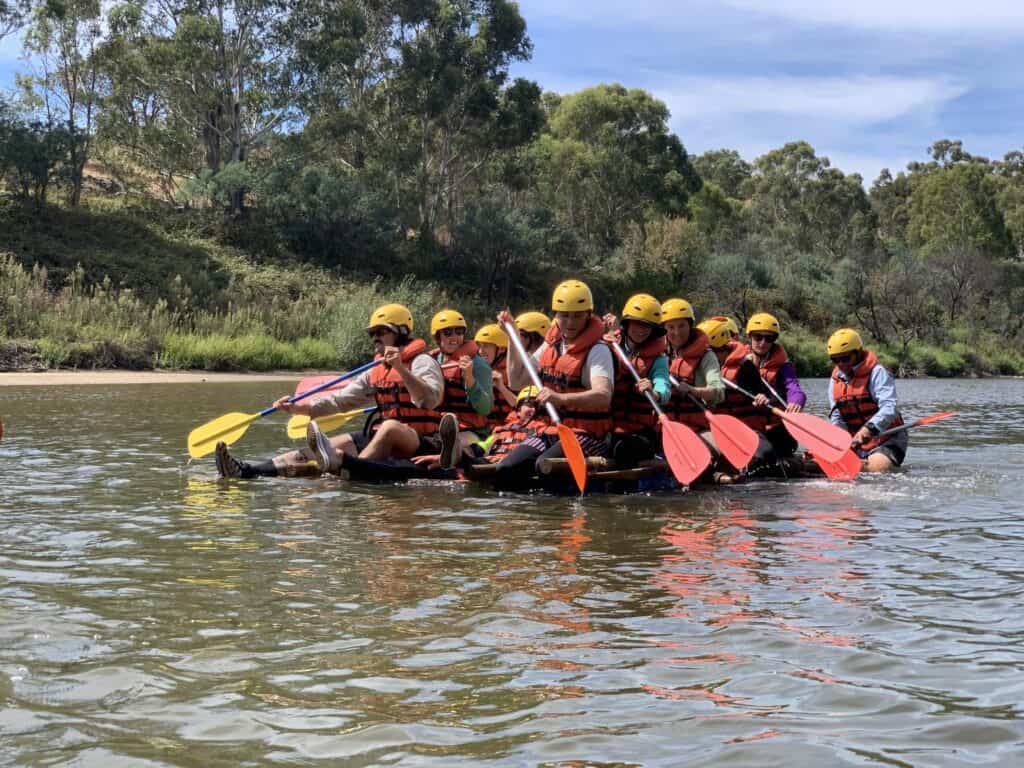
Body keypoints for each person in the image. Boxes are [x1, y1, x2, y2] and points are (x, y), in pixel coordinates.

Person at [215, 303, 445, 478]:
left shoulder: (422, 362)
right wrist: (297, 408)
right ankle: (249, 471)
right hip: (381, 436)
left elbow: (431, 400)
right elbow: (339, 401)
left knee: (390, 427)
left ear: (401, 331)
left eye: (381, 332)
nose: (375, 338)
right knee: (323, 447)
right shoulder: (376, 370)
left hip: (423, 441)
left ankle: (348, 468)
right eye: (372, 333)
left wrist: (401, 370)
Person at [496, 279, 614, 490]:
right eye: (564, 315)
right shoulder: (551, 346)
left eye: (577, 315)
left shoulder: (598, 350)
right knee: (505, 469)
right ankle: (519, 519)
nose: (570, 322)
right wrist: (512, 337)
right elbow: (516, 381)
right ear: (555, 315)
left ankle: (558, 518)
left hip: (587, 434)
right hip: (553, 431)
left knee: (545, 466)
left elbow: (603, 395)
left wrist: (560, 398)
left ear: (588, 315)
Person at [699, 317, 779, 472]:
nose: (706, 358)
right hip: (717, 429)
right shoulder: (698, 368)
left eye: (711, 353)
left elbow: (764, 393)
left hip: (747, 428)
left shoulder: (745, 367)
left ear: (724, 348)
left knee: (765, 455)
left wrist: (763, 398)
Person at [604, 293, 672, 468]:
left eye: (647, 326)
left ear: (653, 330)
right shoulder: (609, 347)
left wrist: (655, 393)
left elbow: (663, 386)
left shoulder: (658, 359)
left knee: (622, 448)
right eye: (637, 323)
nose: (641, 330)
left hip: (640, 432)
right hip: (610, 425)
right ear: (626, 324)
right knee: (608, 443)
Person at [827, 328, 907, 472]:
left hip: (887, 437)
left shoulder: (877, 373)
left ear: (857, 353)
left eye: (845, 358)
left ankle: (867, 464)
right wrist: (842, 442)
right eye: (835, 359)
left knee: (877, 468)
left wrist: (868, 429)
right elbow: (837, 416)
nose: (840, 364)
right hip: (854, 440)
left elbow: (890, 408)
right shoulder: (835, 379)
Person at [428, 309, 493, 468]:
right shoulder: (431, 362)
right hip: (436, 428)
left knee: (460, 442)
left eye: (459, 331)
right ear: (437, 337)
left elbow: (485, 408)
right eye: (448, 332)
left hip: (472, 431)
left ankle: (451, 455)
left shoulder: (478, 365)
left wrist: (469, 378)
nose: (454, 337)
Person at [662, 298, 725, 447]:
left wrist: (693, 390)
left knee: (718, 450)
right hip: (665, 426)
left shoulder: (706, 356)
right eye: (671, 327)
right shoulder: (659, 354)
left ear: (690, 325)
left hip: (697, 427)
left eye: (682, 326)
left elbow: (719, 392)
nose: (676, 332)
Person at [744, 312, 806, 460]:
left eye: (769, 338)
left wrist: (796, 401)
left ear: (774, 340)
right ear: (749, 337)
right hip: (750, 426)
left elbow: (794, 388)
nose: (763, 342)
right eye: (758, 337)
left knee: (768, 454)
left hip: (776, 429)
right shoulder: (740, 363)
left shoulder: (784, 366)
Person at [474, 323, 516, 427]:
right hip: (488, 427)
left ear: (501, 349)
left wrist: (502, 388)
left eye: (486, 346)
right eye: (479, 346)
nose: (481, 351)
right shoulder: (477, 370)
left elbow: (522, 407)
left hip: (512, 426)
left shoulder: (515, 372)